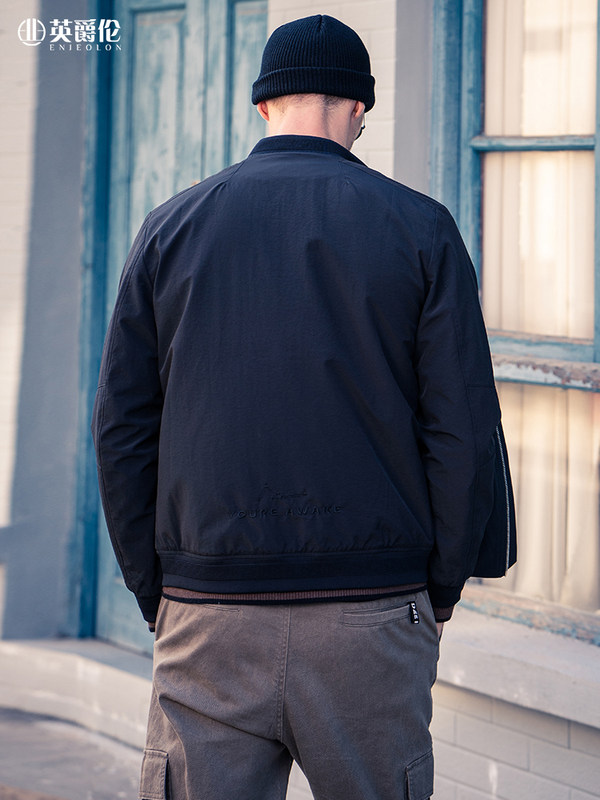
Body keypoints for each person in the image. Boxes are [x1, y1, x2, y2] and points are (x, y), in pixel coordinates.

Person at [92, 14, 515, 800]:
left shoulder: (169, 228)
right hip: (372, 610)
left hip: (207, 610)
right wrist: (437, 589)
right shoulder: (422, 229)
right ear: (358, 107)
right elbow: (461, 430)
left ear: (264, 105)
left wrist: (158, 589)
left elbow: (121, 429)